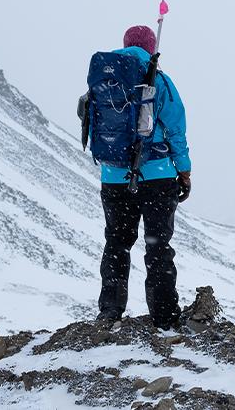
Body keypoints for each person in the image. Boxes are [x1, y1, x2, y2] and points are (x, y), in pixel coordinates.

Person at [80, 25, 192, 329]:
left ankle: (110, 311)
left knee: (117, 242)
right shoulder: (159, 81)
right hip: (157, 177)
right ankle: (165, 319)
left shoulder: (104, 79)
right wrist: (183, 170)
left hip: (114, 177)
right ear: (151, 47)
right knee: (157, 246)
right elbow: (176, 130)